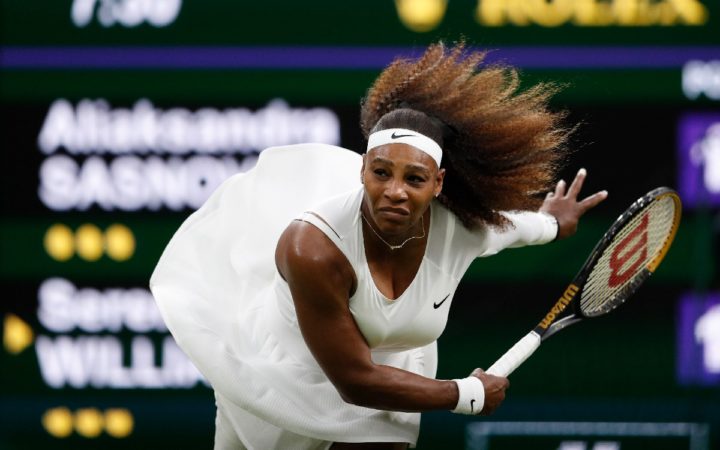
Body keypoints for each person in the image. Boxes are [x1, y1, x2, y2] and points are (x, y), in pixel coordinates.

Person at [150, 42, 608, 449]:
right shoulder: (312, 248)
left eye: (415, 179)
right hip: (287, 377)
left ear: (438, 183)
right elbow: (354, 381)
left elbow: (523, 227)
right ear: (363, 170)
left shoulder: (462, 230)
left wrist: (554, 222)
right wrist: (465, 394)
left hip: (388, 376)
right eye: (382, 172)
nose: (395, 191)